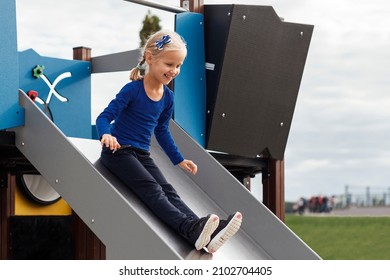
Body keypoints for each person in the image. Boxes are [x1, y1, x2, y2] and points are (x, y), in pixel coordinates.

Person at [95, 30, 242, 253]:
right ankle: (189, 227)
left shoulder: (167, 98)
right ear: (151, 58)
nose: (174, 71)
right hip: (118, 153)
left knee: (169, 190)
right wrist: (106, 134)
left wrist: (179, 159)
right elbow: (104, 117)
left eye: (178, 66)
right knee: (153, 189)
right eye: (169, 64)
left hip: (141, 154)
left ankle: (204, 231)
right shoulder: (133, 90)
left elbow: (162, 131)